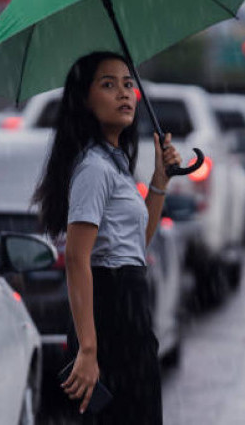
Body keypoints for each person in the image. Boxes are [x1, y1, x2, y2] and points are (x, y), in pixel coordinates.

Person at [32, 51, 181, 423]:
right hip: (109, 313)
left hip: (130, 308)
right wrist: (87, 349)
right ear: (84, 100)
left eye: (128, 84)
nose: (124, 93)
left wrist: (159, 181)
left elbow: (134, 245)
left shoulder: (114, 164)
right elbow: (78, 259)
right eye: (108, 84)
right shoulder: (94, 169)